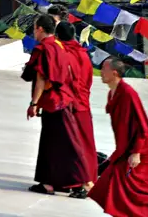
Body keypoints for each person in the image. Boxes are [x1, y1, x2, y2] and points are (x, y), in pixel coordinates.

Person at [22, 14, 91, 197]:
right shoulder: (60, 46)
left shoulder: (44, 48)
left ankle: (80, 185)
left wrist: (33, 103)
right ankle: (47, 183)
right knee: (49, 143)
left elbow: (41, 78)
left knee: (69, 144)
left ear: (40, 29)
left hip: (56, 102)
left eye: (35, 27)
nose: (34, 31)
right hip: (62, 99)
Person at [89, 58, 148, 217]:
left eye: (104, 69)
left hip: (140, 148)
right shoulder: (112, 93)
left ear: (114, 73)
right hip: (125, 148)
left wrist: (136, 152)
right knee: (109, 187)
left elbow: (142, 126)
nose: (101, 72)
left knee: (141, 195)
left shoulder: (128, 93)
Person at [55, 21, 97, 193]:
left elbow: (64, 80)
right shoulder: (83, 53)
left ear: (57, 36)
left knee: (72, 145)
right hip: (84, 103)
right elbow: (88, 80)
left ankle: (82, 182)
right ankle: (87, 180)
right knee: (86, 144)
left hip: (70, 105)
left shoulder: (64, 54)